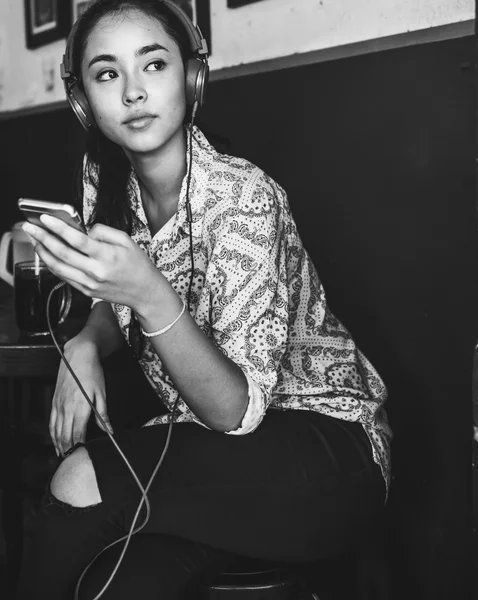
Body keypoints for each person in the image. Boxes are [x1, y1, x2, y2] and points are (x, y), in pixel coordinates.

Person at [16, 1, 392, 598]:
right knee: (113, 585)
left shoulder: (246, 198)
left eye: (154, 65)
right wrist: (85, 343)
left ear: (193, 78)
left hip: (321, 458)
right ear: (82, 101)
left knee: (81, 475)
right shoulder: (105, 180)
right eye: (108, 74)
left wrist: (149, 291)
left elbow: (234, 411)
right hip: (210, 457)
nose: (134, 92)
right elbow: (117, 304)